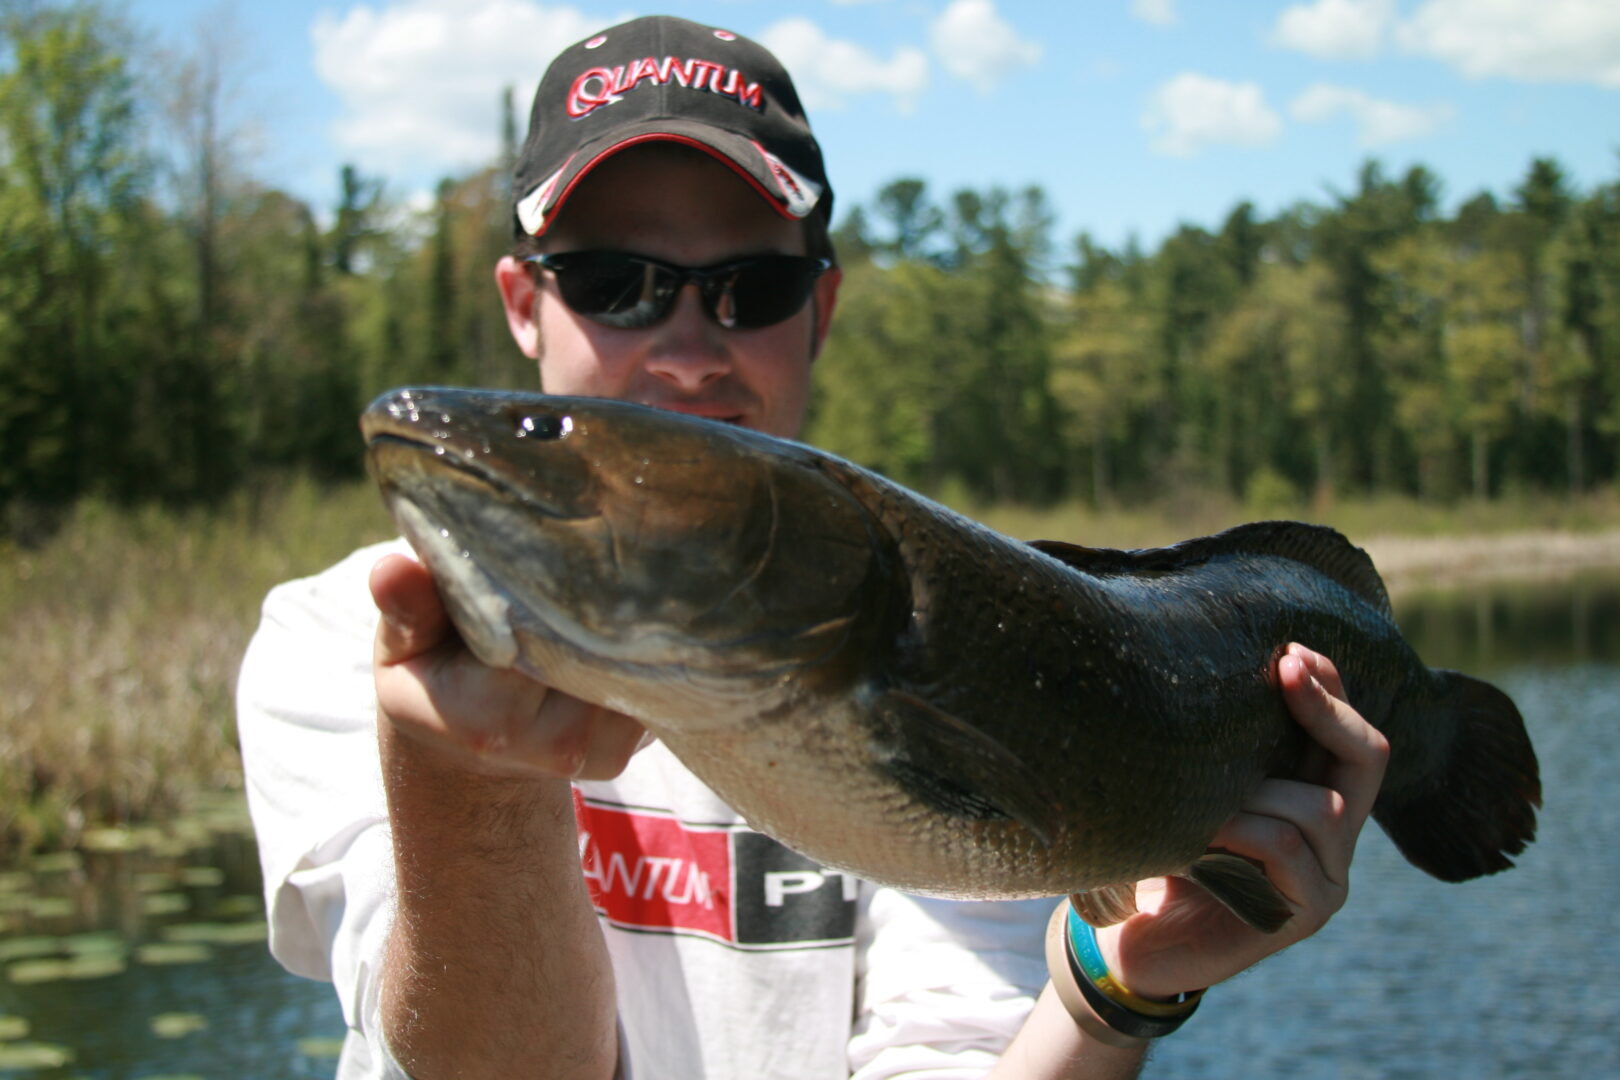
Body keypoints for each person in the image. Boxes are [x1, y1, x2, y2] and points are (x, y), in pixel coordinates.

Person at [237, 15, 1389, 1080]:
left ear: (822, 309)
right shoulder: (335, 646)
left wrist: (1109, 988)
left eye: (753, 286)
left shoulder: (969, 636)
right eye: (611, 284)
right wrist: (464, 787)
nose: (688, 351)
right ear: (522, 304)